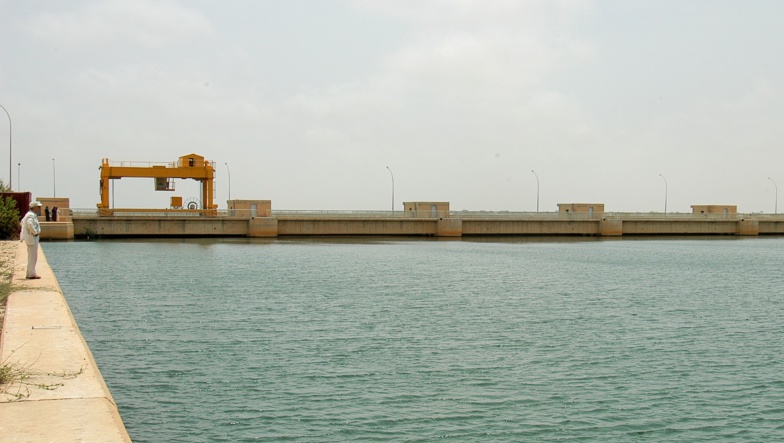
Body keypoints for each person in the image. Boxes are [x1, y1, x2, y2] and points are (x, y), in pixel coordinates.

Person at [20, 201, 43, 279]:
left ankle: (29, 272)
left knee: (32, 256)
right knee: (33, 256)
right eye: (38, 207)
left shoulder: (31, 214)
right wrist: (35, 232)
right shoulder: (30, 215)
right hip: (32, 238)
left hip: (31, 238)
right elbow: (29, 224)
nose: (40, 208)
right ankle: (31, 274)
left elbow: (22, 222)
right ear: (34, 207)